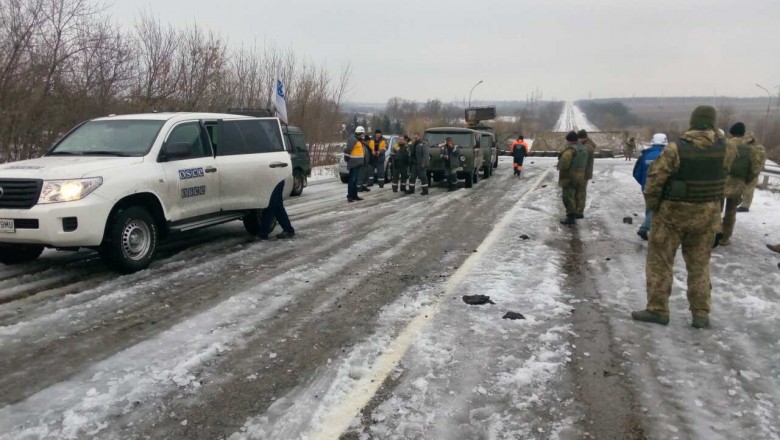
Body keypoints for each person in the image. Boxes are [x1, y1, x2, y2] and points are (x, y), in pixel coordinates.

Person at [631, 105, 735, 329]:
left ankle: (658, 310)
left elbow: (654, 182)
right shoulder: (726, 148)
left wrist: (653, 208)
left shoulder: (675, 149)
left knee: (660, 263)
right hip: (706, 216)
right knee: (699, 266)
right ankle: (700, 313)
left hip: (672, 216)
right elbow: (724, 178)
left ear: (692, 122)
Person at [720, 123, 763, 246]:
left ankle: (714, 233)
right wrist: (746, 180)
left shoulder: (723, 145)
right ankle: (725, 238)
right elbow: (755, 169)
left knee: (716, 210)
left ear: (731, 132)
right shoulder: (751, 149)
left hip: (720, 182)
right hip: (738, 183)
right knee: (731, 211)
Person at [633, 133, 668, 240]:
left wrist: (644, 183)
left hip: (646, 187)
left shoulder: (645, 155)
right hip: (662, 187)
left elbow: (636, 173)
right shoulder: (666, 156)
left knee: (650, 207)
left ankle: (648, 228)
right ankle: (647, 229)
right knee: (659, 209)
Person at [557, 131, 588, 225]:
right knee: (578, 196)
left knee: (568, 197)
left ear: (569, 140)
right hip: (580, 176)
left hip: (569, 177)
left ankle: (570, 217)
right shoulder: (583, 149)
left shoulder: (569, 151)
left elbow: (563, 165)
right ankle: (577, 213)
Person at [738, 142, 767, 212]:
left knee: (749, 190)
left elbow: (758, 162)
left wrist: (754, 172)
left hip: (753, 173)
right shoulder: (753, 148)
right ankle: (744, 204)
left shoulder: (758, 148)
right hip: (750, 172)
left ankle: (745, 206)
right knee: (746, 190)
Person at [577, 129, 597, 218]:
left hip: (584, 173)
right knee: (580, 192)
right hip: (584, 172)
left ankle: (579, 212)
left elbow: (581, 159)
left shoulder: (587, 147)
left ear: (582, 138)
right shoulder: (587, 145)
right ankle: (579, 210)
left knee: (581, 192)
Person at [343, 126, 367, 202]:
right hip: (353, 163)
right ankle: (350, 196)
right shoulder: (353, 139)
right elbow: (348, 150)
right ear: (360, 133)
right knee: (352, 180)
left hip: (358, 163)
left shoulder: (359, 140)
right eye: (363, 133)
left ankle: (354, 195)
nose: (364, 135)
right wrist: (346, 158)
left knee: (355, 180)